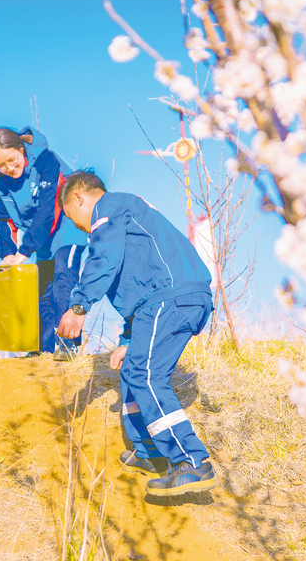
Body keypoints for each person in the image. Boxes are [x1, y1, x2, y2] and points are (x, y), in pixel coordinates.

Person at [54, 170, 217, 496]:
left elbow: (106, 259)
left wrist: (79, 307)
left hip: (171, 297)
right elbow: (138, 281)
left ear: (79, 198)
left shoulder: (109, 207)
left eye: (74, 219)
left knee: (145, 375)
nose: (78, 227)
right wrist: (128, 339)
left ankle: (191, 460)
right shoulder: (126, 218)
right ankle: (148, 450)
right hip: (164, 300)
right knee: (134, 370)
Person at [0, 126, 89, 356]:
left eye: (12, 160)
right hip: (40, 239)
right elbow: (0, 219)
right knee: (43, 290)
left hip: (67, 226)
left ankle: (67, 345)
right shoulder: (0, 181)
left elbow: (48, 210)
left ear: (21, 148)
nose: (8, 168)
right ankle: (42, 351)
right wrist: (7, 253)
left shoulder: (46, 161)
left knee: (64, 274)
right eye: (0, 165)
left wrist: (23, 251)